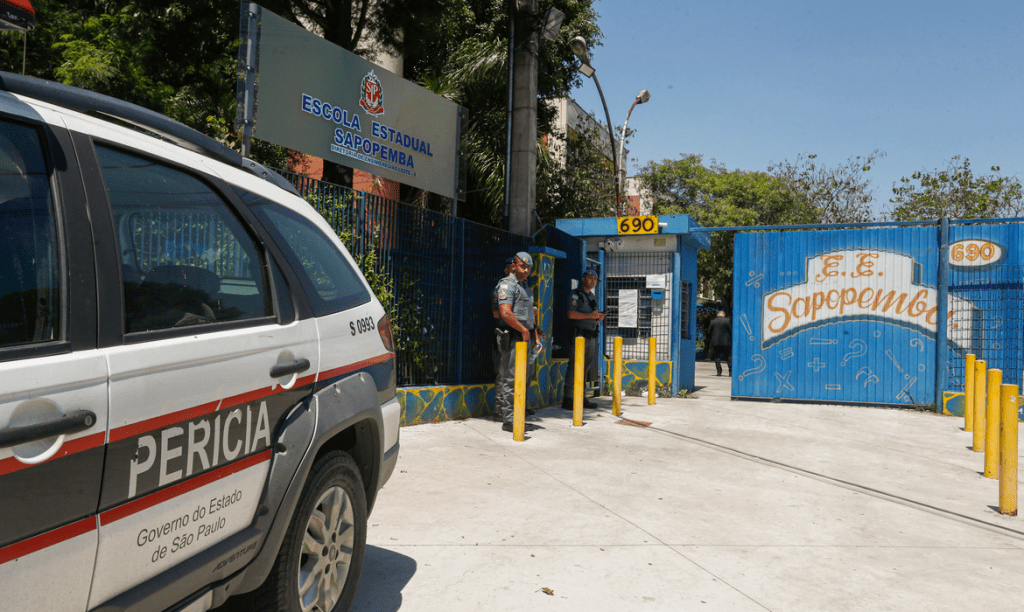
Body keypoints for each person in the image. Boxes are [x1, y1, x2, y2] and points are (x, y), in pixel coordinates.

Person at [494, 252, 541, 433]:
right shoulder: (507, 285)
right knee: (511, 379)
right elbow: (505, 312)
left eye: (529, 267)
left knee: (523, 378)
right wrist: (522, 330)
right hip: (514, 337)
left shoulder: (525, 287)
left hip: (525, 338)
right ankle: (509, 420)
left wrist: (534, 334)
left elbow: (528, 316)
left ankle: (518, 417)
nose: (526, 270)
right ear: (513, 266)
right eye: (523, 266)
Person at [562, 267, 604, 409]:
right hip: (578, 336)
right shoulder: (575, 295)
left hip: (591, 336)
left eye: (595, 279)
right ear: (584, 279)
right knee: (574, 367)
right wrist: (590, 316)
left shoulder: (592, 297)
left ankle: (581, 397)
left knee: (585, 368)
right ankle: (568, 398)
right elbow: (571, 315)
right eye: (590, 278)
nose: (593, 281)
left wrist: (597, 318)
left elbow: (590, 317)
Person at [707, 310, 732, 376]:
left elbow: (709, 331)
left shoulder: (713, 321)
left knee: (717, 357)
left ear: (718, 314)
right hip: (726, 342)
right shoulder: (727, 321)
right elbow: (731, 331)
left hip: (716, 342)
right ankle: (730, 371)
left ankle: (719, 371)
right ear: (723, 314)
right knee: (728, 356)